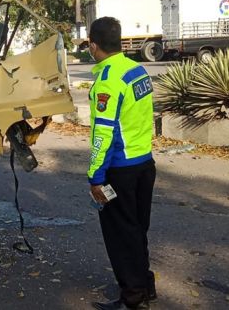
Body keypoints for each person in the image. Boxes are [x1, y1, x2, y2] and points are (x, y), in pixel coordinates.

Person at [87, 17, 157, 310]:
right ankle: (145, 285)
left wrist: (96, 177)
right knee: (137, 228)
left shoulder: (107, 81)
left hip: (120, 169)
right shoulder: (137, 71)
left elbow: (104, 133)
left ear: (93, 46)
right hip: (144, 163)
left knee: (120, 234)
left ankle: (133, 298)